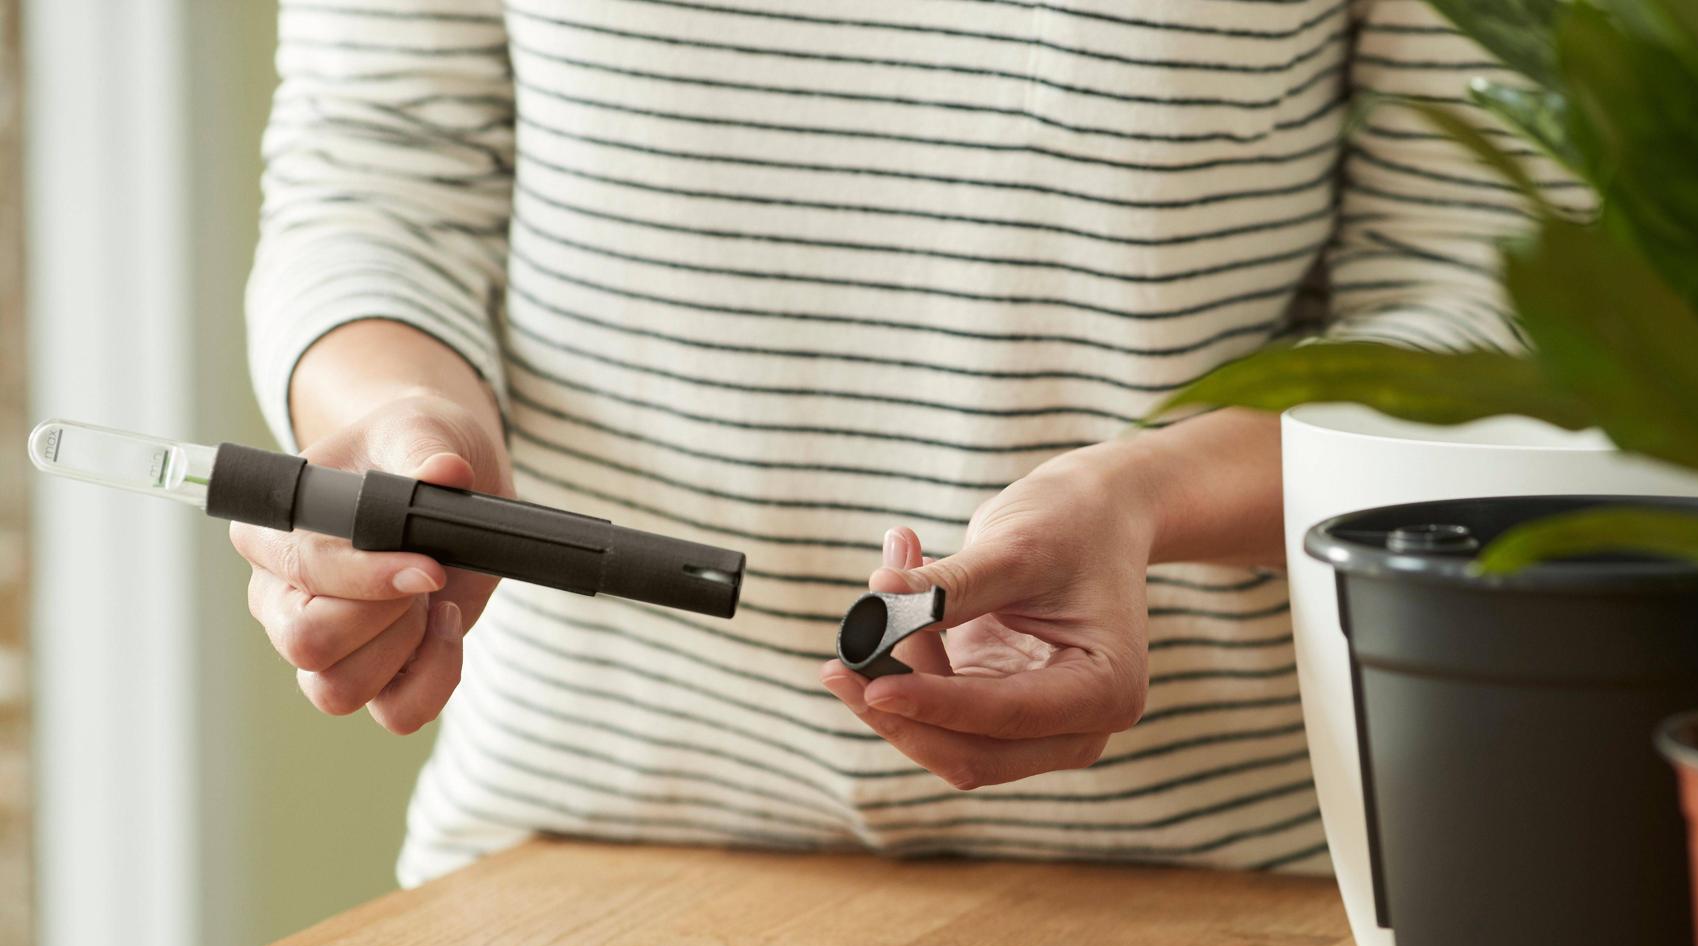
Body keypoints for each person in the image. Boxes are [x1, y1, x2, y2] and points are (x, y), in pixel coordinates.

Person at [243, 0, 1543, 886]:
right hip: (575, 867)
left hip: (1228, 894)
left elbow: (1490, 277)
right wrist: (394, 426)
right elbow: (381, 163)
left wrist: (1147, 499)